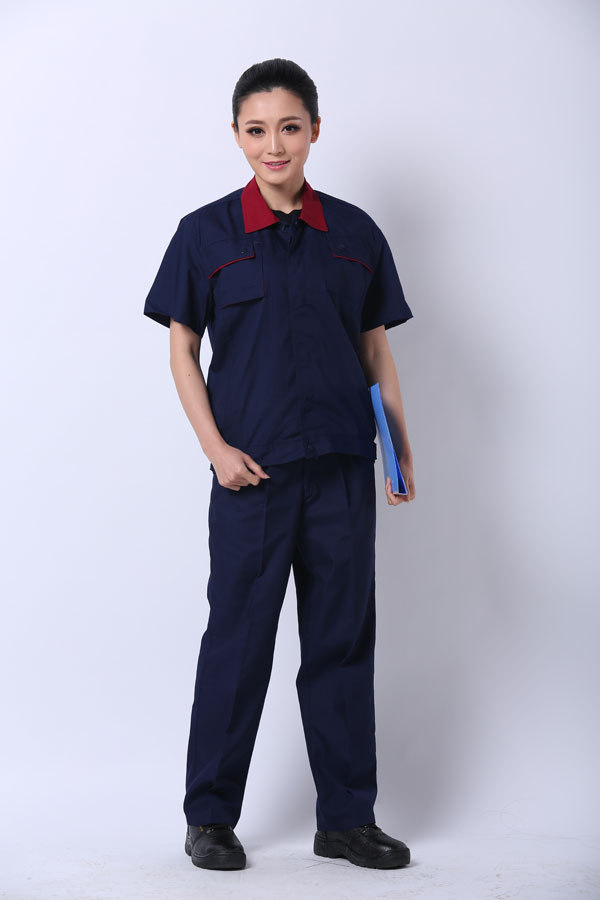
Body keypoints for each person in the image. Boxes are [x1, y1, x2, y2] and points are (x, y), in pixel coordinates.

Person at [143, 57, 416, 872]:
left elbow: (375, 348)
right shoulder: (205, 235)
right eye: (257, 129)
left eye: (289, 127)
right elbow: (182, 350)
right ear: (236, 135)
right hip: (251, 478)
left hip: (340, 469)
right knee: (237, 643)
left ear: (315, 131)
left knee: (341, 642)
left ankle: (346, 820)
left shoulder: (356, 235)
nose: (274, 145)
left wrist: (400, 448)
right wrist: (215, 449)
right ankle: (209, 818)